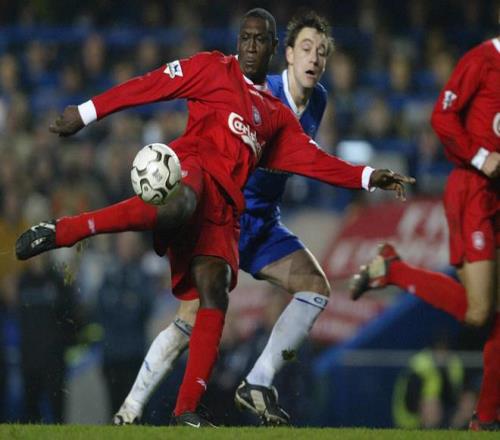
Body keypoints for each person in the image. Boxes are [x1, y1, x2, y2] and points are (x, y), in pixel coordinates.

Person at [16, 8, 414, 427]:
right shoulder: (211, 68)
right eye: (245, 38)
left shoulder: (278, 117)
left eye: (260, 40)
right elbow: (149, 85)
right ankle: (65, 230)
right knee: (181, 203)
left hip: (228, 214)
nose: (250, 46)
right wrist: (86, 112)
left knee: (215, 291)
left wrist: (369, 176)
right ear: (283, 53)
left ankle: (186, 409)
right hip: (192, 174)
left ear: (273, 48)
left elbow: (314, 161)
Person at [113, 10, 335, 427]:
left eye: (321, 51)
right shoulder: (259, 90)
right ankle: (130, 410)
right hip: (226, 216)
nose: (314, 57)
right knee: (190, 316)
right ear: (287, 54)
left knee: (315, 287)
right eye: (306, 48)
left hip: (264, 222)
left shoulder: (318, 100)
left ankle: (258, 383)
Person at [350, 34, 500, 431]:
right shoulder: (483, 60)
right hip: (475, 191)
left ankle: (486, 419)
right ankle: (395, 270)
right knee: (480, 312)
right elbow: (442, 117)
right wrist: (481, 156)